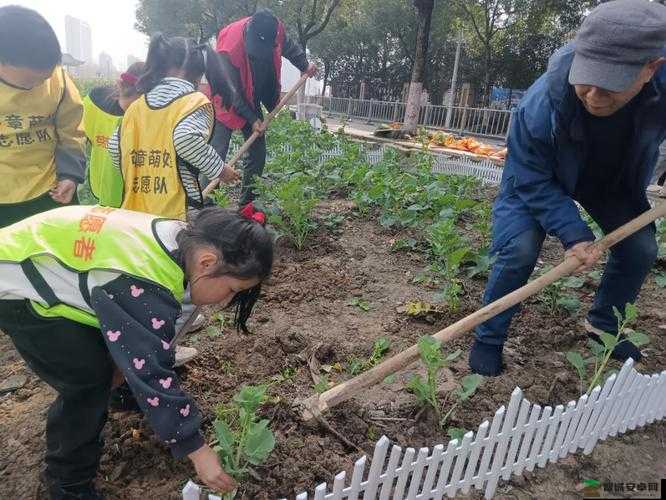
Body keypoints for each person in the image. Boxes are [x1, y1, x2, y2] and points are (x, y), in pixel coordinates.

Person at [0, 204, 273, 498]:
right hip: (16, 285)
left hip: (52, 265)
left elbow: (155, 341)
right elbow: (151, 368)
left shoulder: (181, 242)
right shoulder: (143, 281)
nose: (226, 299)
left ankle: (124, 394)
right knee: (88, 380)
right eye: (232, 290)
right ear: (207, 263)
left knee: (119, 363)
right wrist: (195, 447)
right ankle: (67, 482)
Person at [469, 0, 666, 376]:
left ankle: (604, 325)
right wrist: (573, 234)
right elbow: (530, 176)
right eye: (587, 79)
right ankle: (488, 338)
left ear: (650, 69)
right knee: (519, 250)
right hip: (538, 175)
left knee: (640, 246)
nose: (593, 96)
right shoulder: (541, 104)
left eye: (610, 85)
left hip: (609, 178)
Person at [108, 34, 240, 221]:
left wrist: (140, 169)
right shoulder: (193, 102)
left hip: (135, 211)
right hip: (175, 214)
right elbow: (185, 139)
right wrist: (220, 169)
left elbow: (115, 146)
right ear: (199, 73)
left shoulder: (138, 104)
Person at [206, 8, 317, 206]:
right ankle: (205, 205)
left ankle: (246, 205)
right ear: (248, 33)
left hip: (251, 96)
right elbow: (231, 92)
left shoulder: (275, 28)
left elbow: (289, 46)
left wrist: (304, 64)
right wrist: (252, 118)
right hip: (226, 99)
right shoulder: (229, 45)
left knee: (257, 153)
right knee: (216, 153)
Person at [0, 6, 85, 228]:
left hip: (50, 191)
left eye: (45, 77)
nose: (40, 85)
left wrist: (70, 175)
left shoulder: (59, 81)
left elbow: (71, 130)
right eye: (30, 81)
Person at [82, 62, 145, 207]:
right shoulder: (95, 103)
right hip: (104, 184)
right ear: (122, 89)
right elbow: (78, 137)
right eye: (131, 107)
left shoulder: (152, 114)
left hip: (137, 191)